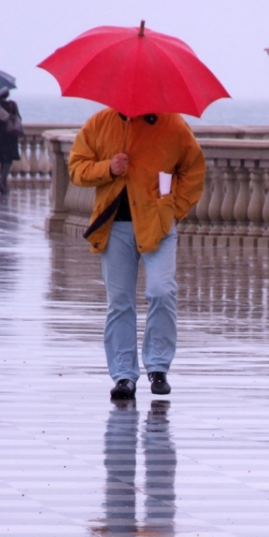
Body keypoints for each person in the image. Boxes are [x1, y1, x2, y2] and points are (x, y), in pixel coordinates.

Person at [68, 109, 205, 400]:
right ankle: (123, 376)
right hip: (114, 227)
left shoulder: (173, 124)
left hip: (159, 226)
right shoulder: (99, 123)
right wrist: (108, 168)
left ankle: (158, 367)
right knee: (119, 302)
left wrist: (172, 210)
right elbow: (76, 167)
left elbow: (193, 169)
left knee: (162, 291)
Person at [0, 90, 22, 194]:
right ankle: (1, 180)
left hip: (0, 136)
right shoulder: (12, 104)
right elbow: (18, 118)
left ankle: (4, 185)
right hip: (11, 135)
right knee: (8, 160)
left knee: (2, 159)